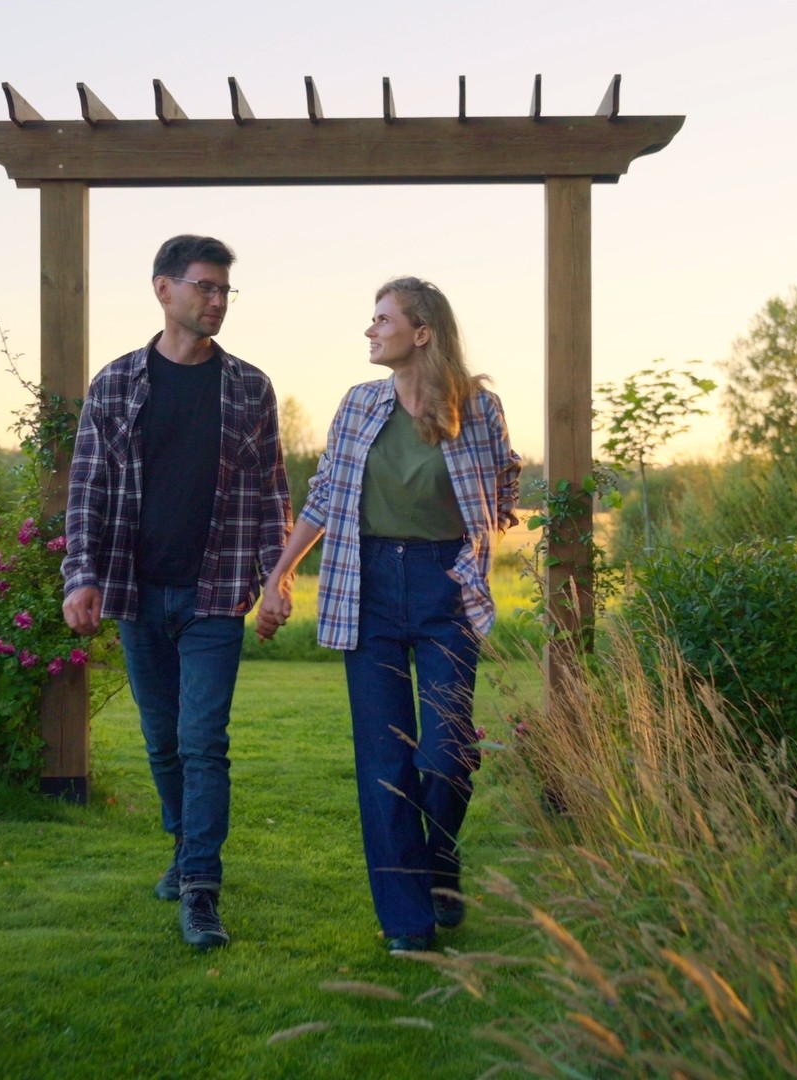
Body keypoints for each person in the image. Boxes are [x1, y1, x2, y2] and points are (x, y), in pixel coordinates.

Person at [257, 276, 521, 953]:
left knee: (445, 754)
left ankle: (440, 858)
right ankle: (408, 923)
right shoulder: (358, 404)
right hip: (366, 585)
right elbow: (324, 496)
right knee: (386, 761)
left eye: (383, 319)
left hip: (444, 589)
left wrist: (485, 530)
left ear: (422, 333)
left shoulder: (478, 409)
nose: (370, 330)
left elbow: (504, 478)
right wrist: (280, 574)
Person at [62, 235, 290, 951]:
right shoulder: (116, 384)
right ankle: (184, 846)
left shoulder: (249, 388)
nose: (217, 301)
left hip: (215, 594)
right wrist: (81, 575)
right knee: (162, 741)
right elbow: (87, 489)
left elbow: (271, 495)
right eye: (204, 287)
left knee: (202, 743)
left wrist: (276, 579)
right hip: (136, 591)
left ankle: (200, 889)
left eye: (224, 290)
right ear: (164, 290)